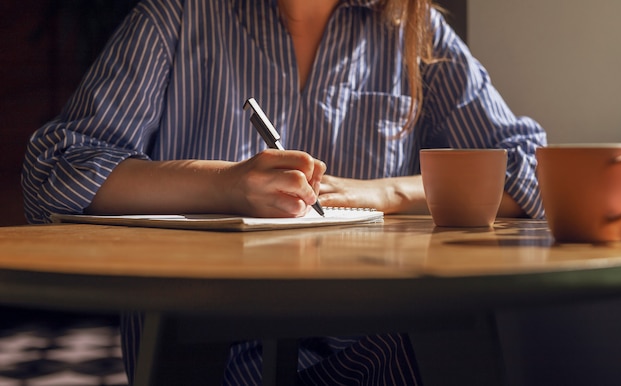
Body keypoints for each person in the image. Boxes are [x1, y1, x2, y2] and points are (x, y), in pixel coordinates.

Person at [22, 0, 546, 384]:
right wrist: (224, 186)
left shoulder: (412, 28)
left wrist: (384, 193)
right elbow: (54, 173)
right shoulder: (177, 17)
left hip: (372, 343)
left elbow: (534, 172)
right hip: (205, 351)